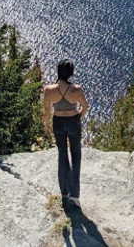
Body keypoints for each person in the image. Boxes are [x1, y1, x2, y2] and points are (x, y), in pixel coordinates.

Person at [43, 59, 89, 207]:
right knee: (76, 155)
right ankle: (74, 195)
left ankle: (64, 192)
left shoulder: (49, 90)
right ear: (70, 73)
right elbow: (85, 107)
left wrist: (46, 124)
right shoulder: (77, 89)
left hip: (58, 122)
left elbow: (47, 111)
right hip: (73, 120)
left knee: (62, 154)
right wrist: (78, 117)